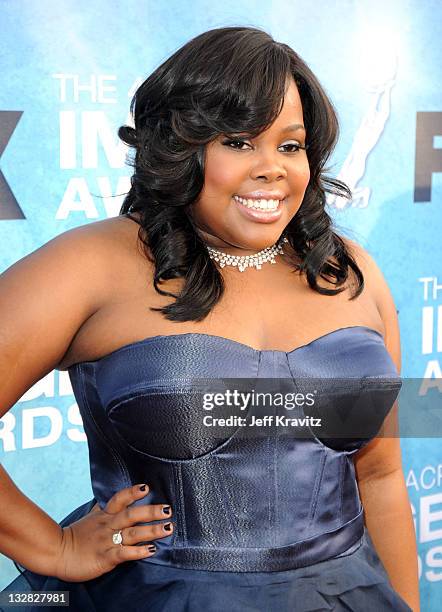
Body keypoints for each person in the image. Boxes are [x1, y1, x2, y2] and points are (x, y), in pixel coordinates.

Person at [0, 26, 419, 612]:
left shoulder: (351, 273)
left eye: (291, 145)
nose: (272, 168)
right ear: (181, 146)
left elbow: (379, 476)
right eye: (239, 142)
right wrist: (54, 547)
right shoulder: (92, 264)